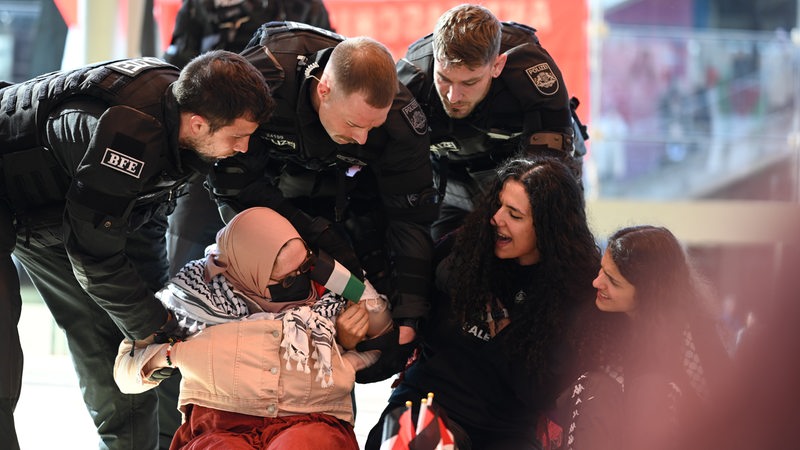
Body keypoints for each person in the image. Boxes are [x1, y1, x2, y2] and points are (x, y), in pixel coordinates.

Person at [0, 50, 273, 450]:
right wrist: (149, 322)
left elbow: (141, 221)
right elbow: (94, 256)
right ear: (198, 124)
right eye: (237, 136)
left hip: (55, 215)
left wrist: (157, 323)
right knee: (3, 370)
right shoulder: (129, 135)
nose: (245, 148)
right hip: (34, 205)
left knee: (131, 351)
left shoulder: (185, 118)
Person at [204, 21, 440, 384]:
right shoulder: (265, 80)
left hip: (348, 194)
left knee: (378, 330)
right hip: (261, 191)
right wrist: (311, 236)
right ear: (324, 89)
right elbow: (234, 184)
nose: (361, 139)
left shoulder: (399, 121)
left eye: (371, 128)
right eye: (353, 124)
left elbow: (411, 218)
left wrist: (409, 314)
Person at [364, 156, 600, 450]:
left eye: (514, 215)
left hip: (505, 428)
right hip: (426, 404)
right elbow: (410, 323)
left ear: (549, 228)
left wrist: (501, 328)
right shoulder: (463, 251)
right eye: (498, 205)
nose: (496, 218)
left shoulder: (572, 291)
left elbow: (540, 393)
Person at [114, 206, 392, 449]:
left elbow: (385, 336)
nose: (300, 281)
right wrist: (171, 355)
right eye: (285, 279)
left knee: (308, 444)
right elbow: (125, 373)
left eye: (304, 266)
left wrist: (347, 340)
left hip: (309, 417)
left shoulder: (327, 285)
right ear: (247, 273)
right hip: (222, 420)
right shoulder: (192, 297)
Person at [163, 0, 335, 278]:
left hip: (274, 155)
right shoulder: (199, 5)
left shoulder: (305, 5)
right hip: (209, 147)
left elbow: (324, 71)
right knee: (180, 262)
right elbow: (179, 73)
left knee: (273, 268)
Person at [397, 4, 589, 241]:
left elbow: (551, 174)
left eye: (469, 83)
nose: (453, 97)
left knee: (554, 242)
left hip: (528, 166)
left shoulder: (531, 73)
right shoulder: (411, 78)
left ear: (497, 66)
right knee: (442, 263)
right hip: (452, 176)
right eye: (444, 79)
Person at [556, 225, 733, 450]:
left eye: (613, 281)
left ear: (649, 293)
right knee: (595, 386)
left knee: (651, 388)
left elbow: (722, 414)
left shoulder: (692, 336)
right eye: (602, 270)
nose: (597, 283)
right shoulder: (595, 323)